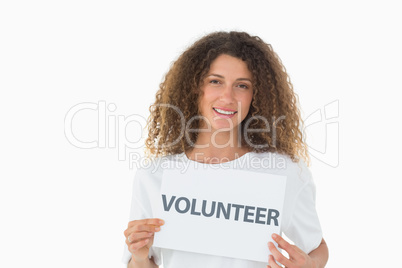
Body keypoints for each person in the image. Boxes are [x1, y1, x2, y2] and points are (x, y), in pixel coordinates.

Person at [122, 31, 329, 268]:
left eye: (242, 85)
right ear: (194, 87)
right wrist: (138, 257)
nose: (227, 97)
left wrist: (311, 265)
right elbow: (140, 262)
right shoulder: (154, 175)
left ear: (255, 95)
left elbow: (317, 247)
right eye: (215, 81)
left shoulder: (285, 172)